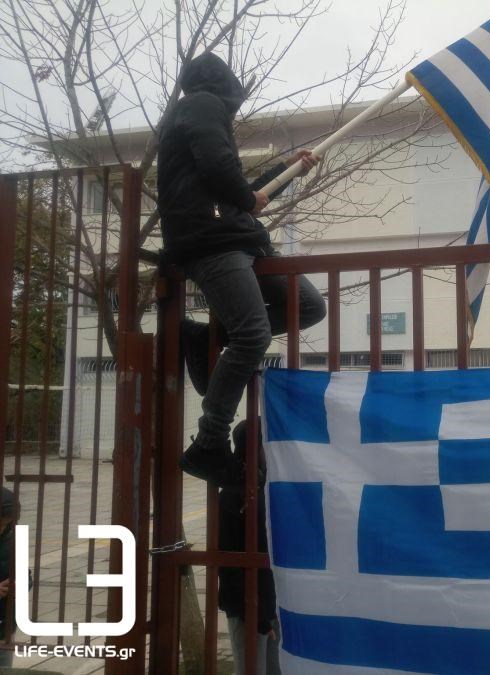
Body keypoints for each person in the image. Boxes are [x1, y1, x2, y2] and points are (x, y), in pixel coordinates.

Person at [157, 51, 326, 486]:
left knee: (309, 306)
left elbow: (241, 194)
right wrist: (248, 199)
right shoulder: (200, 103)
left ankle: (205, 338)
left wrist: (289, 170)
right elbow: (224, 173)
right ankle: (208, 442)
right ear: (224, 85)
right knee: (253, 334)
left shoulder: (202, 118)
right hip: (212, 242)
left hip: (240, 237)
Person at [219, 419, 280, 675]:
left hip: (272, 604)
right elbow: (229, 563)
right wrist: (256, 614)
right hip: (247, 608)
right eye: (267, 444)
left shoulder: (269, 488)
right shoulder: (235, 496)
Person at [0, 487, 21, 667]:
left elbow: (26, 575)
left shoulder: (12, 538)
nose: (2, 529)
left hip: (4, 623)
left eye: (5, 524)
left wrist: (20, 583)